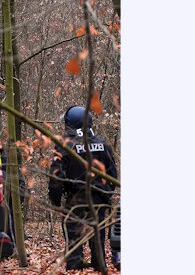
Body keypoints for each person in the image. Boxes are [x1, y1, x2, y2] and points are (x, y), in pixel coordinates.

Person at [48, 106, 118, 271]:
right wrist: (105, 195)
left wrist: (56, 201)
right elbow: (112, 176)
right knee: (98, 249)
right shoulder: (103, 145)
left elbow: (55, 178)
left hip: (75, 203)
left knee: (74, 249)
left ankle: (75, 269)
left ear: (70, 124)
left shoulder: (65, 146)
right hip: (98, 204)